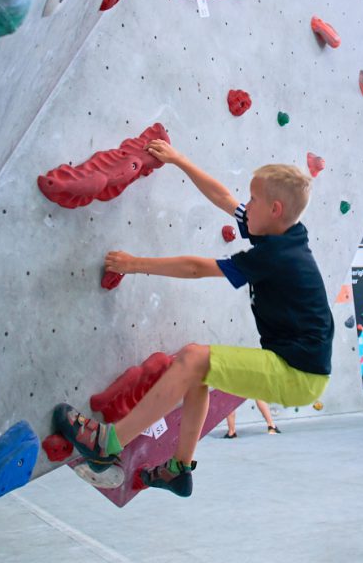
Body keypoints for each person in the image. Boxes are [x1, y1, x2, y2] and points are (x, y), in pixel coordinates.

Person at [52, 143, 333, 495]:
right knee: (197, 371)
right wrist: (179, 160)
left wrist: (134, 264)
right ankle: (178, 469)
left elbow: (196, 268)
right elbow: (224, 197)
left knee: (193, 358)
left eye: (255, 199)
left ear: (275, 209)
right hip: (297, 367)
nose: (247, 205)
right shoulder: (283, 231)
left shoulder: (278, 253)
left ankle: (106, 443)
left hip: (298, 373)